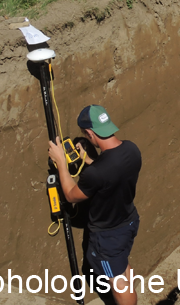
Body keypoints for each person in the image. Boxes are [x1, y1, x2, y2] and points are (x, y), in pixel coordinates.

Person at [48, 105, 142, 305]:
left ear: (90, 133)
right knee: (123, 267)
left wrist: (62, 165)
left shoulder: (96, 174)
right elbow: (112, 173)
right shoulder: (132, 149)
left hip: (108, 238)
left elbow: (72, 196)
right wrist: (89, 160)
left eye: (85, 134)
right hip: (128, 222)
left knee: (117, 283)